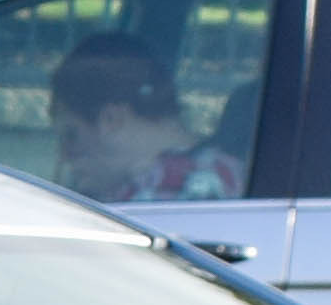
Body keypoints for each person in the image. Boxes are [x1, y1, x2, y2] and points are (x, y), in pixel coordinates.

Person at [48, 35, 246, 205]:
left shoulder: (166, 193)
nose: (64, 155)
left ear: (112, 120)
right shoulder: (222, 170)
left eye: (71, 136)